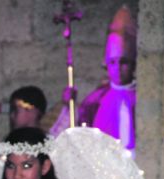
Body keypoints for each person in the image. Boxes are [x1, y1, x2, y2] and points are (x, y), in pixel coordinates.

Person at [51, 6, 137, 155]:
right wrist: (68, 106)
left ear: (133, 64)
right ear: (106, 64)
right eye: (112, 62)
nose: (117, 68)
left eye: (123, 62)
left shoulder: (143, 97)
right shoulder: (95, 101)